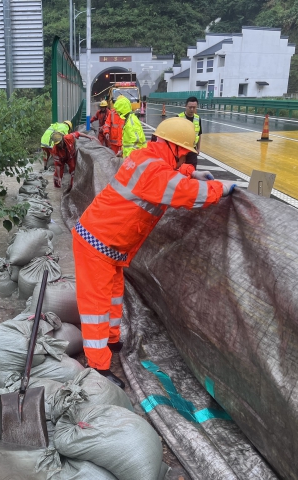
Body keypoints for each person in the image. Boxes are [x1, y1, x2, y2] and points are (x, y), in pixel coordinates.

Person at [72, 117, 236, 388]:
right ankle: (98, 366)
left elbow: (165, 178)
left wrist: (188, 174)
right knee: (97, 307)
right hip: (97, 243)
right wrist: (220, 188)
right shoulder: (155, 171)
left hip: (106, 242)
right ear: (176, 148)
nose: (186, 160)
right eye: (185, 155)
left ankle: (111, 341)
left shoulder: (145, 158)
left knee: (113, 295)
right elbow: (182, 192)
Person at [178, 96, 202, 168]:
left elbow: (199, 134)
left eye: (194, 107)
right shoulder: (179, 117)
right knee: (180, 171)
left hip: (192, 149)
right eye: (190, 107)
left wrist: (198, 148)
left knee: (192, 171)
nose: (192, 109)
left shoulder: (198, 118)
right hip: (181, 149)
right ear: (186, 106)